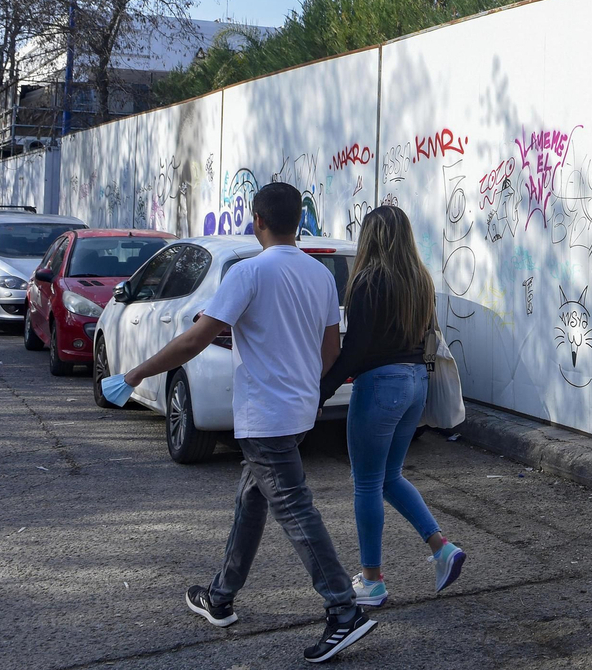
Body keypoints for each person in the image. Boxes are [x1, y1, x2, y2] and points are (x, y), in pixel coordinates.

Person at [122, 182, 375, 664]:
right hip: (299, 411)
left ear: (256, 220)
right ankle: (220, 597)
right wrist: (303, 386)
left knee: (296, 511)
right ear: (298, 220)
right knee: (251, 500)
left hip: (266, 417)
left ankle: (344, 610)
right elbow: (330, 352)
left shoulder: (247, 273)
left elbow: (195, 341)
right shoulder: (320, 276)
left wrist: (136, 373)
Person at [319, 204, 465, 608]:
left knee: (367, 483)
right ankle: (442, 548)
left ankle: (372, 581)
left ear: (371, 238)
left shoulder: (367, 281)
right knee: (390, 477)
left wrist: (320, 393)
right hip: (415, 383)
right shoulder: (419, 280)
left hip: (382, 386)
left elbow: (353, 352)